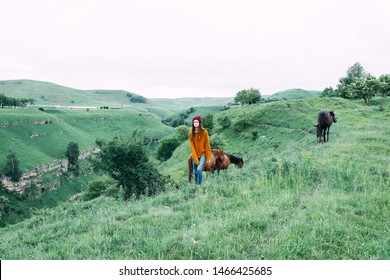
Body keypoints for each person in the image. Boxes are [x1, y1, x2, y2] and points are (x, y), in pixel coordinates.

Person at [188, 115, 211, 185]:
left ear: (200, 123)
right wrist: (195, 159)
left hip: (203, 154)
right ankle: (196, 186)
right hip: (195, 155)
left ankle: (200, 185)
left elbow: (207, 145)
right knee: (195, 172)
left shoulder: (204, 132)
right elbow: (192, 148)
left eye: (197, 122)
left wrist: (208, 157)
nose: (195, 123)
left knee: (198, 169)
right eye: (194, 122)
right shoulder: (191, 133)